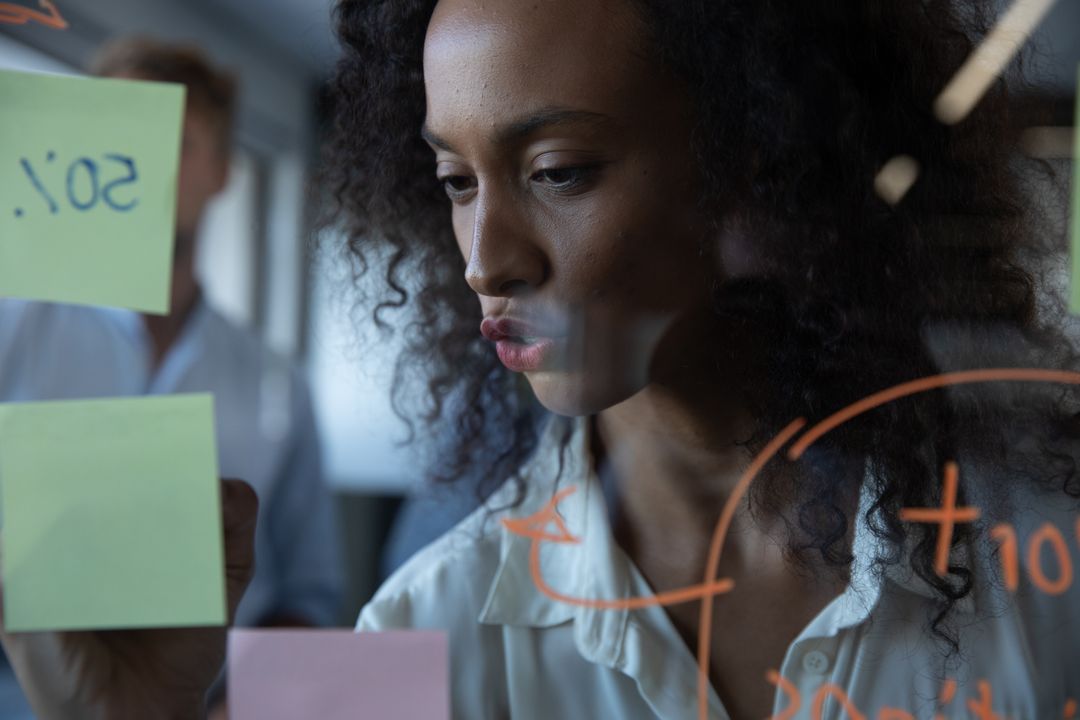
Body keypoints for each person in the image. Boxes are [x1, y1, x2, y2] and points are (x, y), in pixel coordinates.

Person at [4, 1, 1080, 718]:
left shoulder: (1047, 565)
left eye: (558, 171)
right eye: (456, 182)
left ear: (761, 164)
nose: (486, 260)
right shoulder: (419, 622)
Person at [0, 37, 341, 718]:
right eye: (121, 132)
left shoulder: (277, 383)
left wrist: (239, 707)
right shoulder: (10, 331)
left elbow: (312, 594)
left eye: (174, 140)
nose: (139, 167)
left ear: (221, 170)